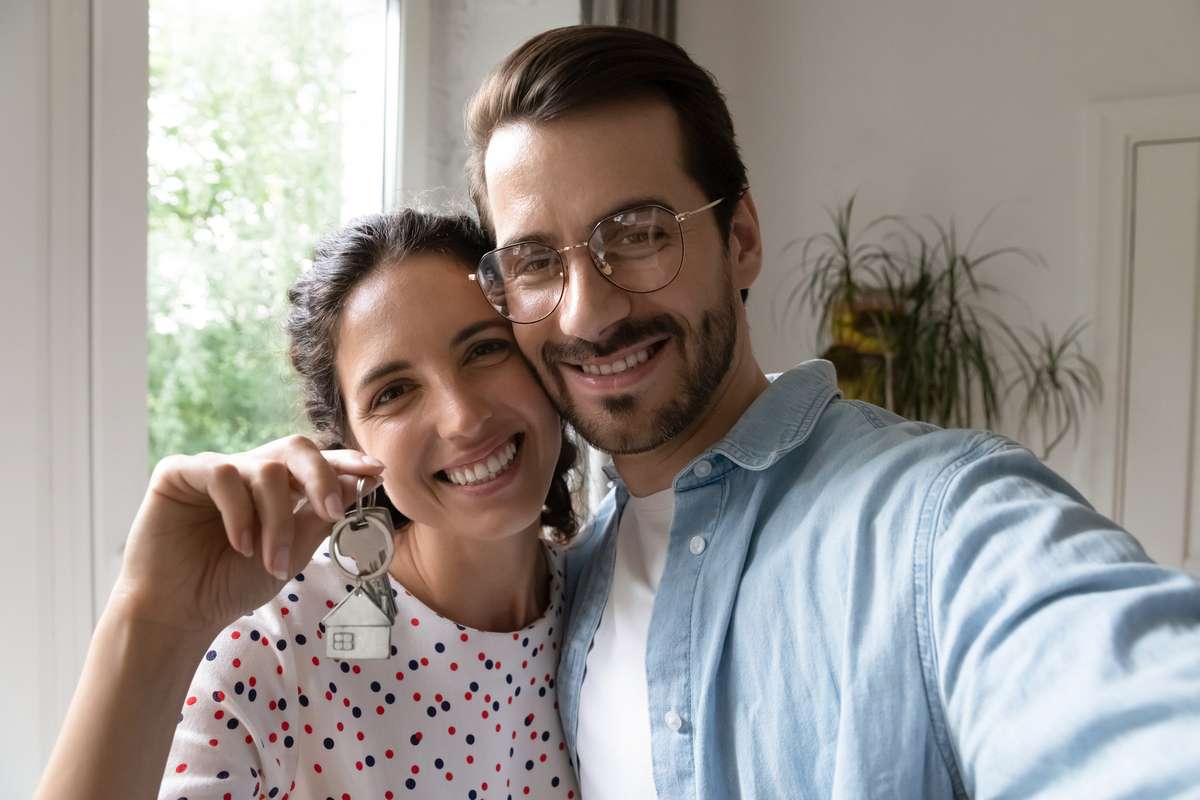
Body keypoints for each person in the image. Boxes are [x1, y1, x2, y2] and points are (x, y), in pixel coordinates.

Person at [462, 25, 1200, 799]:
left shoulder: (940, 526)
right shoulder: (564, 587)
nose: (587, 316)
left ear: (740, 238)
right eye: (536, 263)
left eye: (640, 234)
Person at [35, 210, 581, 800]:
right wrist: (149, 620)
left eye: (484, 350)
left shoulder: (607, 597)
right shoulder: (270, 650)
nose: (463, 417)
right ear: (351, 446)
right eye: (394, 392)